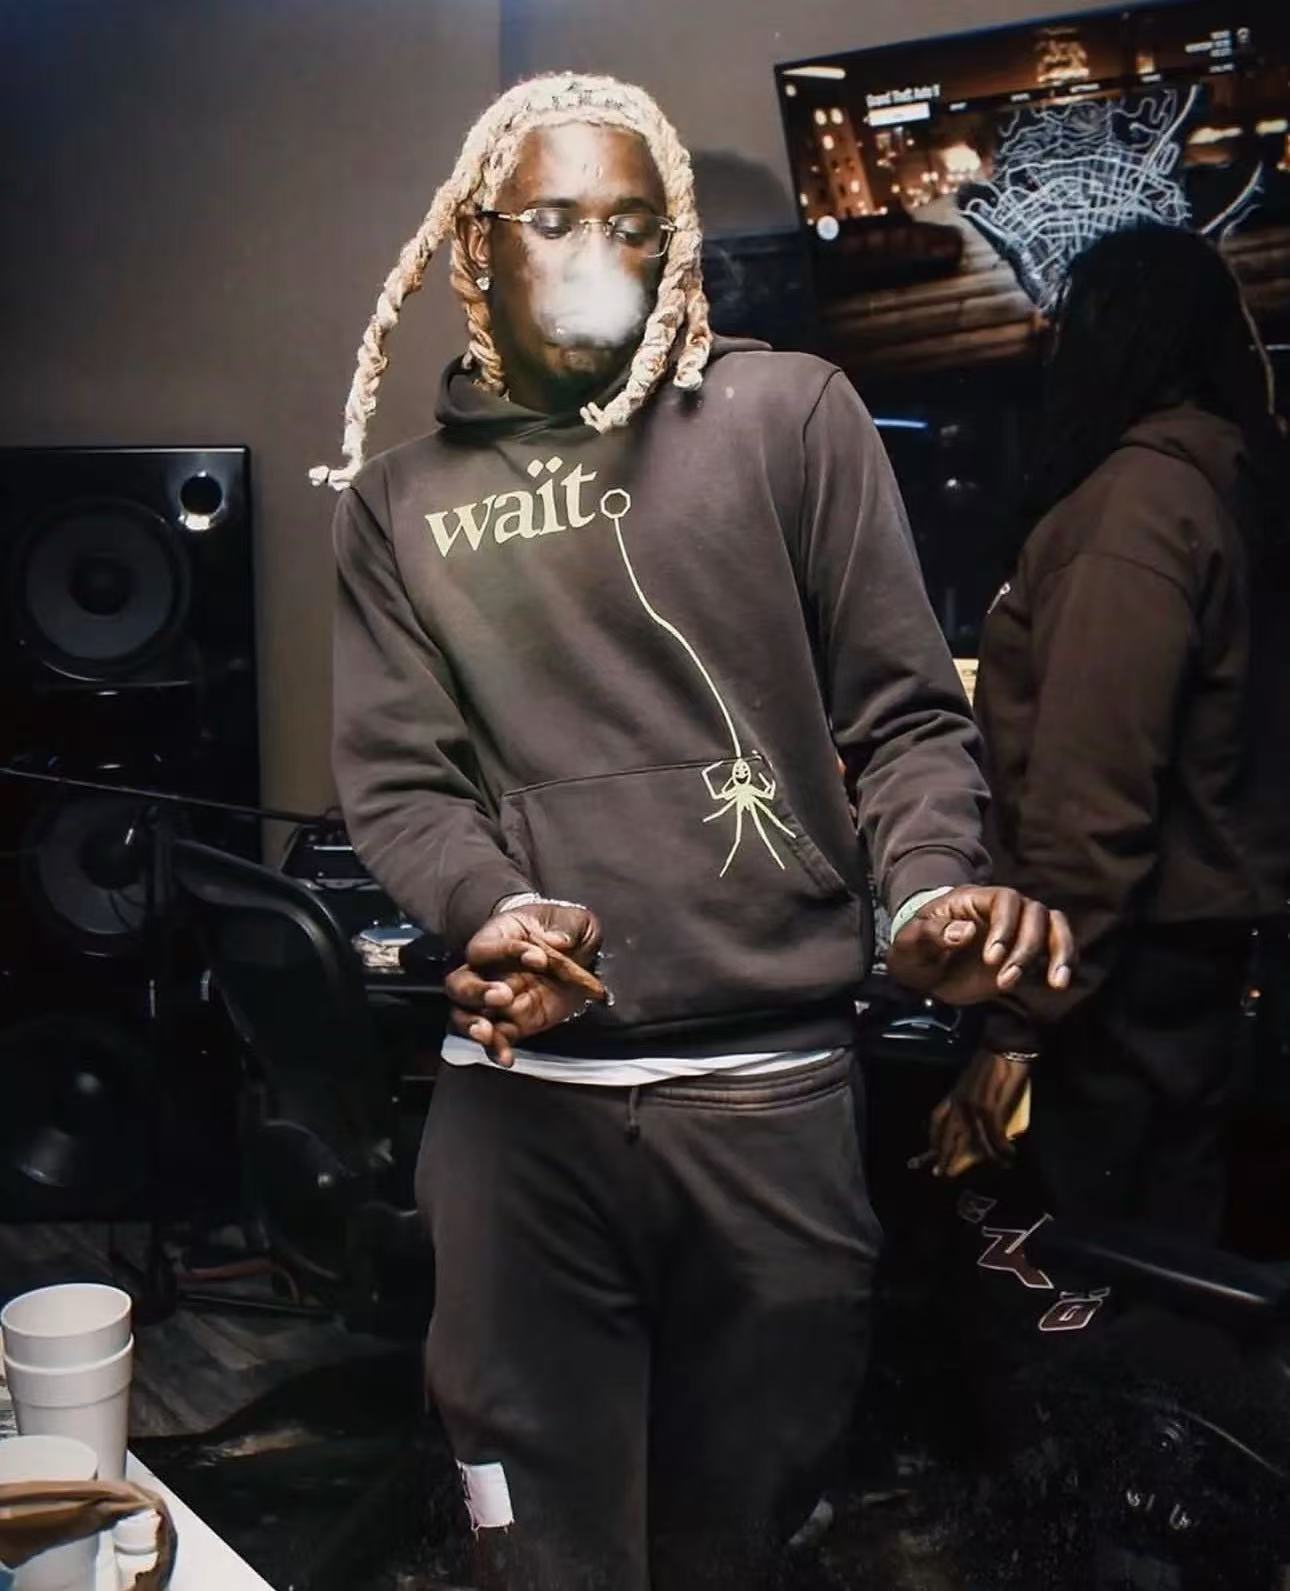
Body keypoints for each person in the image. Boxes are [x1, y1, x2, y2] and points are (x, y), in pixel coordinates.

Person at [316, 73, 1071, 1591]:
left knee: (740, 1537)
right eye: (552, 219)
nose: (595, 253)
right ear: (478, 242)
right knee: (543, 1549)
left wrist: (925, 891)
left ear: (674, 251)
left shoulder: (789, 415)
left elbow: (905, 718)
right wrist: (490, 905)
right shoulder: (398, 503)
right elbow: (403, 780)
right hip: (524, 1120)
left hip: (771, 1107)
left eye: (632, 224)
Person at [931, 223, 1290, 1240]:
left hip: (1120, 982)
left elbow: (1091, 807)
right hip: (1198, 965)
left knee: (1102, 1280)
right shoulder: (1227, 483)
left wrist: (1013, 1037)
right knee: (1178, 1265)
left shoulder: (1134, 510)